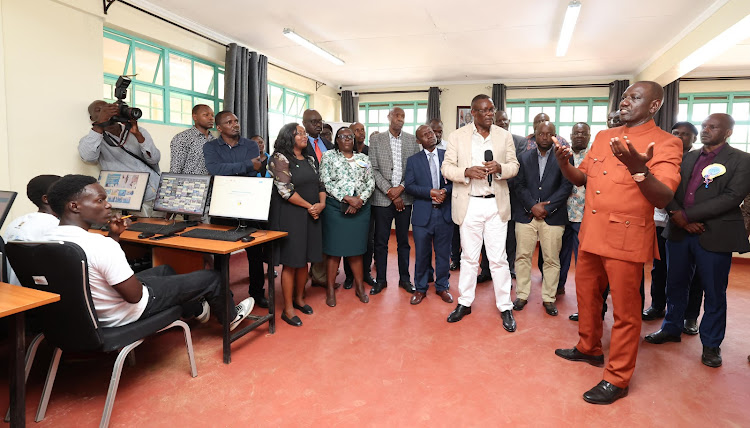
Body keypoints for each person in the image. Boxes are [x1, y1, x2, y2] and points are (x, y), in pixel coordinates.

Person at [553, 81, 682, 405]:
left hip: (626, 238)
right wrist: (563, 163)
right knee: (587, 297)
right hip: (592, 234)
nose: (625, 102)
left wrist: (640, 170)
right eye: (624, 97)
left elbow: (664, 196)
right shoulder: (603, 136)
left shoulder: (666, 143)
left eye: (634, 98)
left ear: (653, 106)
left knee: (626, 312)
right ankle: (589, 348)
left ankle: (618, 377)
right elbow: (582, 178)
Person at [43, 174, 253, 330]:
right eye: (100, 200)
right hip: (124, 313)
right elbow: (135, 296)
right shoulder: (98, 245)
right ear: (74, 206)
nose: (108, 205)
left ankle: (196, 310)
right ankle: (230, 318)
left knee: (164, 271)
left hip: (89, 315)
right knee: (213, 278)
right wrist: (145, 285)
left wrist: (114, 237)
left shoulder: (44, 239)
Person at [645, 113, 750, 368]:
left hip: (714, 235)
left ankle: (711, 345)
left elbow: (732, 196)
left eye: (713, 127)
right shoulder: (687, 157)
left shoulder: (742, 160)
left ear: (727, 132)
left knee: (714, 292)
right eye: (704, 126)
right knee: (675, 284)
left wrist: (686, 215)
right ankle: (671, 329)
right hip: (680, 232)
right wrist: (678, 217)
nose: (705, 130)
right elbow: (667, 188)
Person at [441, 94, 519, 332]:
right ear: (472, 113)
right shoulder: (457, 136)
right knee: (468, 257)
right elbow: (446, 168)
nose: (489, 114)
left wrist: (500, 168)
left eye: (491, 110)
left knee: (498, 258)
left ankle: (505, 306)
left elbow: (514, 166)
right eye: (483, 111)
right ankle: (465, 302)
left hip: (496, 204)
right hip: (470, 203)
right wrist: (465, 172)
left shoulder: (504, 136)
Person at [203, 111, 269, 308]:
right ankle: (223, 295)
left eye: (237, 121)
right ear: (219, 128)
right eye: (229, 122)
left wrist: (237, 167)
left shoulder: (250, 145)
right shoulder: (210, 147)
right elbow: (214, 170)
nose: (235, 124)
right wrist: (246, 165)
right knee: (221, 255)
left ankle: (257, 293)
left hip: (249, 203)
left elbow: (256, 169)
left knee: (255, 253)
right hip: (222, 205)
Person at [643, 122, 702, 329]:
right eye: (676, 133)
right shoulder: (662, 157)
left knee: (693, 275)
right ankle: (657, 306)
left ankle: (690, 316)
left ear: (694, 138)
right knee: (660, 268)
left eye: (686, 134)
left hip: (690, 224)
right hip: (661, 222)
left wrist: (683, 216)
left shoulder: (699, 161)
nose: (680, 137)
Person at [511, 121, 572, 317]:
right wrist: (532, 206)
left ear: (555, 136)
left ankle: (549, 298)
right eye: (541, 134)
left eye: (549, 134)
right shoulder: (524, 157)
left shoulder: (563, 158)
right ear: (534, 135)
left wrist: (548, 207)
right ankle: (522, 295)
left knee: (552, 259)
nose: (545, 137)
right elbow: (518, 185)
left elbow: (566, 186)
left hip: (553, 217)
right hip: (526, 216)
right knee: (522, 257)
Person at [268, 123, 325, 327]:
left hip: (312, 214)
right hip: (291, 216)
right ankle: (288, 309)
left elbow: (320, 184)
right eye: (299, 133)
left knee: (306, 260)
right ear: (288, 136)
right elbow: (285, 190)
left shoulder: (310, 158)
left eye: (304, 133)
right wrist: (311, 206)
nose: (304, 135)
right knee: (292, 262)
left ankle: (300, 299)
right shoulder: (278, 158)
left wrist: (322, 204)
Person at [319, 127, 374, 306]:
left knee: (356, 251)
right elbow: (325, 181)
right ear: (337, 140)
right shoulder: (328, 157)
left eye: (350, 136)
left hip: (360, 209)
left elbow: (370, 182)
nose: (348, 139)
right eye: (343, 136)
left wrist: (359, 200)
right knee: (334, 252)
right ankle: (330, 290)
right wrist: (346, 198)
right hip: (335, 208)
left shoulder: (363, 158)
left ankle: (359, 287)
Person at [369, 107, 420, 294]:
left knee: (403, 242)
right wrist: (390, 191)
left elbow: (414, 170)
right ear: (389, 117)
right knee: (381, 241)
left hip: (405, 199)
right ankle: (381, 280)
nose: (400, 119)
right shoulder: (376, 139)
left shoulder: (412, 141)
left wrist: (401, 189)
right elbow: (373, 169)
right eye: (397, 115)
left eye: (403, 116)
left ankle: (404, 279)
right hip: (382, 199)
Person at [79, 100, 161, 216]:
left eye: (108, 108)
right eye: (100, 110)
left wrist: (138, 135)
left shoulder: (139, 131)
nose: (105, 112)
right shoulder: (91, 140)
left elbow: (154, 159)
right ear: (92, 118)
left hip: (156, 192)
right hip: (130, 201)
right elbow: (88, 157)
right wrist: (99, 125)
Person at [405, 125, 454, 305]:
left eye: (431, 133)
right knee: (422, 254)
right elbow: (409, 186)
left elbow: (454, 182)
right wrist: (430, 192)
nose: (430, 136)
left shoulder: (447, 156)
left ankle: (442, 286)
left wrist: (444, 192)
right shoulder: (413, 161)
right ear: (419, 141)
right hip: (423, 215)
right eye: (425, 135)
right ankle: (420, 288)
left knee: (443, 253)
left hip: (444, 214)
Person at [3, 175, 61, 285]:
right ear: (46, 199)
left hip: (14, 288)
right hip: (39, 290)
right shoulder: (54, 225)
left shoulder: (17, 222)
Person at [557, 123, 590, 298]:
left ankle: (583, 295)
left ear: (589, 137)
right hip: (562, 213)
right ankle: (558, 286)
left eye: (583, 134)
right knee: (561, 255)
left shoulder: (594, 157)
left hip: (584, 216)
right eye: (576, 133)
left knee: (582, 259)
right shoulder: (563, 155)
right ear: (570, 136)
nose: (579, 136)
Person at [342, 121, 376, 289]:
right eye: (357, 130)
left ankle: (366, 273)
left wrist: (360, 200)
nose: (361, 133)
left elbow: (372, 178)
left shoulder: (371, 151)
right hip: (346, 203)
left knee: (367, 241)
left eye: (363, 129)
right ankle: (349, 276)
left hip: (366, 202)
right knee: (348, 240)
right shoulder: (345, 153)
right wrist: (351, 200)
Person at [302, 109, 333, 288]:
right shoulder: (299, 143)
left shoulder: (328, 144)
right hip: (306, 199)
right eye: (313, 121)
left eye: (320, 121)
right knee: (306, 241)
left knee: (323, 239)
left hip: (327, 198)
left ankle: (319, 277)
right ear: (304, 124)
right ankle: (301, 280)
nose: (318, 124)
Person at [169, 104, 215, 175]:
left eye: (212, 115)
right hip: (189, 184)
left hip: (211, 184)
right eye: (206, 115)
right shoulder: (182, 138)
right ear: (195, 117)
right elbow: (175, 169)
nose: (211, 118)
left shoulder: (214, 140)